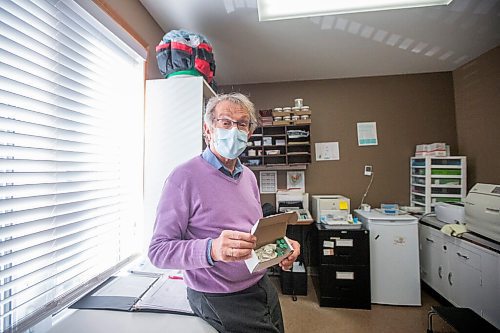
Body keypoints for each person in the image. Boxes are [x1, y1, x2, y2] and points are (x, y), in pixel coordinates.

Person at [148, 92, 300, 333]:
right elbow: (158, 252)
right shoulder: (183, 178)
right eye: (225, 122)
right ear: (208, 130)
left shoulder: (248, 177)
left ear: (249, 133)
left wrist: (281, 245)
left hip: (261, 284)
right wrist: (212, 250)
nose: (234, 130)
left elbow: (252, 233)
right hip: (220, 297)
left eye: (242, 124)